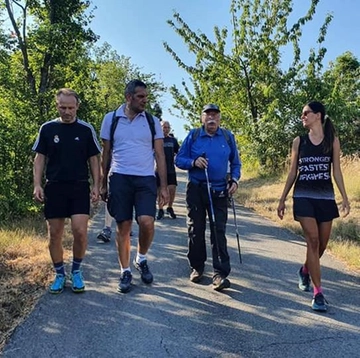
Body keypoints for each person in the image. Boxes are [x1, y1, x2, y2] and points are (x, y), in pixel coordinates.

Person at [277, 101, 350, 312]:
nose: (303, 117)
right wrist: (282, 199)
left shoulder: (332, 141)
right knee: (313, 240)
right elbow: (293, 172)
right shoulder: (298, 142)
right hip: (303, 197)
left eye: (306, 113)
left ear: (318, 115)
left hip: (325, 197)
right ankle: (318, 293)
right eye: (302, 114)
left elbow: (336, 171)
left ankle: (305, 270)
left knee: (322, 245)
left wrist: (345, 197)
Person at [100, 79, 169, 293]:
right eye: (140, 97)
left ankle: (141, 258)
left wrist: (163, 186)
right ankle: (125, 271)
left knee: (147, 222)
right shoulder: (111, 119)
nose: (144, 101)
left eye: (146, 97)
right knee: (124, 226)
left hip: (145, 178)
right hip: (119, 177)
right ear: (128, 97)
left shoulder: (152, 121)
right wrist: (102, 183)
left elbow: (159, 154)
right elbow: (106, 154)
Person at [32, 88, 101, 294]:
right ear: (57, 106)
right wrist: (37, 184)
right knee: (55, 234)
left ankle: (77, 271)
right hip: (55, 186)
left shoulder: (86, 130)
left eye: (71, 108)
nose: (67, 111)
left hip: (79, 186)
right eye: (63, 107)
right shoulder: (47, 128)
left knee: (80, 231)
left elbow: (94, 160)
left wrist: (97, 185)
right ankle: (60, 273)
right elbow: (39, 158)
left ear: (77, 106)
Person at [175, 104, 241, 291]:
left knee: (218, 231)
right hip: (196, 188)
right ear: (202, 118)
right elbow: (179, 160)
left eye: (215, 115)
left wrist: (234, 180)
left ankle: (220, 274)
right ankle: (197, 267)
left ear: (219, 119)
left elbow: (235, 163)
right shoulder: (193, 135)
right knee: (195, 229)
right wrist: (193, 162)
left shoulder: (227, 137)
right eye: (208, 115)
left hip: (219, 190)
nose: (211, 118)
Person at [156, 121, 180, 220]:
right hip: (159, 169)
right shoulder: (156, 140)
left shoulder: (173, 140)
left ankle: (170, 207)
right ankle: (160, 208)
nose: (165, 129)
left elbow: (179, 152)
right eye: (164, 127)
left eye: (167, 127)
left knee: (172, 189)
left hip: (170, 169)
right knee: (159, 190)